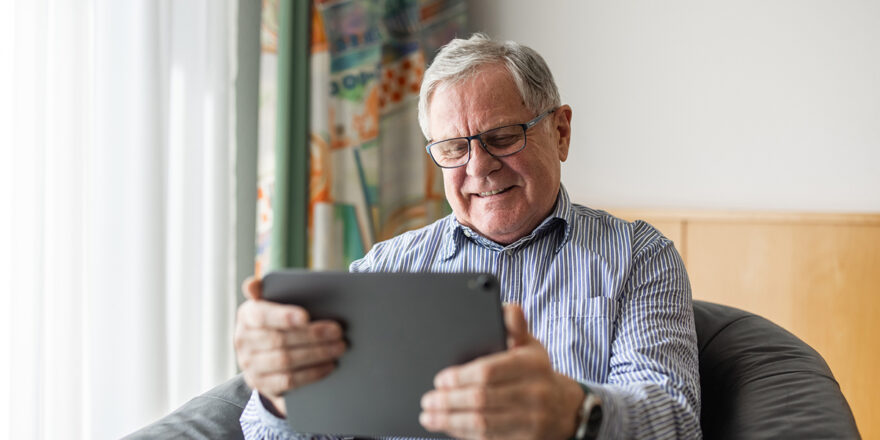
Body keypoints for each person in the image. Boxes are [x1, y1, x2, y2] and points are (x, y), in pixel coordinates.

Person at [235, 33, 701, 439]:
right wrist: (281, 396)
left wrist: (575, 413)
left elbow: (675, 422)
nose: (479, 168)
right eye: (455, 148)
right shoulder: (386, 269)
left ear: (560, 132)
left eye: (502, 137)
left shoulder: (639, 255)